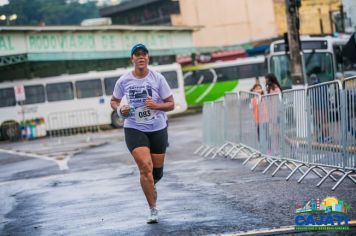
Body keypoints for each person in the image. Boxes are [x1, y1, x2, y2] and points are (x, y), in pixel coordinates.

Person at [110, 43, 174, 224]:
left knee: (157, 172)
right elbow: (114, 101)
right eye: (137, 54)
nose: (140, 57)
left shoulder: (157, 78)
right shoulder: (123, 80)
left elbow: (170, 103)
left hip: (157, 127)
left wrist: (156, 106)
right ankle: (153, 209)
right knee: (145, 167)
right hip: (134, 127)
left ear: (148, 58)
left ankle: (151, 184)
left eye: (143, 54)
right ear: (132, 59)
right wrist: (120, 108)